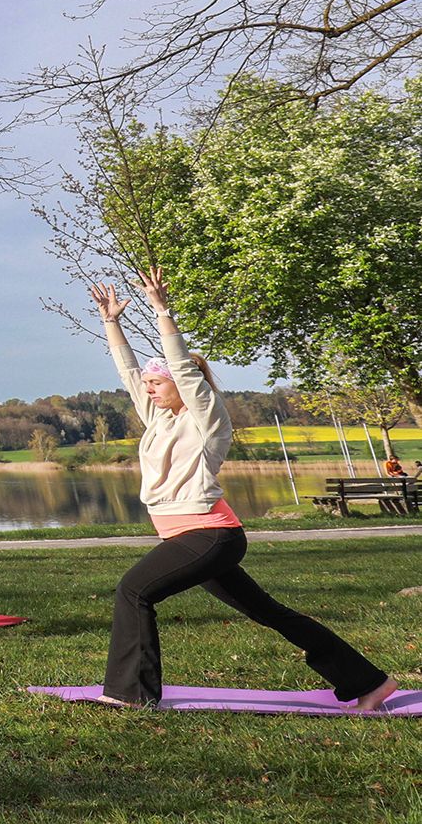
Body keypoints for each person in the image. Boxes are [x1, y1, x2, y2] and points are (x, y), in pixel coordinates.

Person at [93, 270, 395, 710]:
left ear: (184, 385)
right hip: (188, 537)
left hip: (209, 535)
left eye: (157, 384)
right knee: (268, 612)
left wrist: (161, 310)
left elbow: (180, 367)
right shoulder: (159, 419)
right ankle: (370, 682)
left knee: (134, 591)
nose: (149, 390)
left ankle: (131, 695)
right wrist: (110, 323)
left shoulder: (207, 419)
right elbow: (128, 372)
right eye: (149, 386)